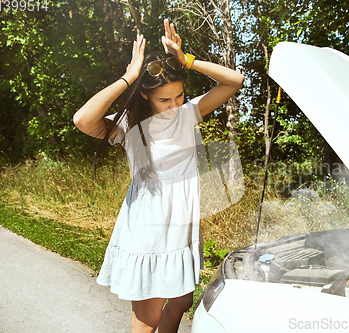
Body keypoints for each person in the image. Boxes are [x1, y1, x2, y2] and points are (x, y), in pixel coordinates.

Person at [73, 19, 244, 333]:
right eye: (164, 99)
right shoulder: (128, 126)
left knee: (180, 303)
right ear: (145, 97)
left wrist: (187, 60)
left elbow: (234, 81)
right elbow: (83, 119)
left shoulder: (187, 114)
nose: (174, 105)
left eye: (178, 96)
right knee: (148, 320)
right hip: (149, 231)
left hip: (181, 227)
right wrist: (128, 77)